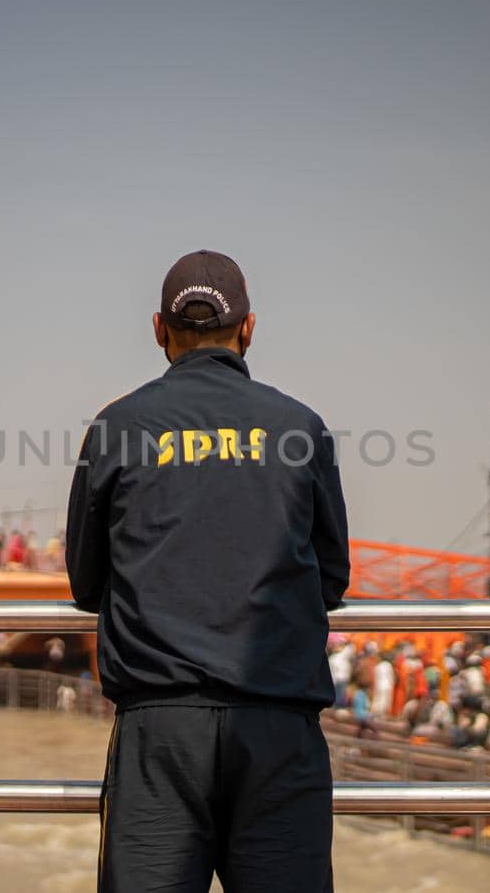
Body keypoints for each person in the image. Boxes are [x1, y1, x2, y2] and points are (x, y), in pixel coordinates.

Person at [67, 250, 349, 892]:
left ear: (160, 330)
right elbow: (332, 578)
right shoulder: (300, 427)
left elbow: (86, 582)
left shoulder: (117, 426)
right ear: (248, 329)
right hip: (279, 727)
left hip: (161, 730)